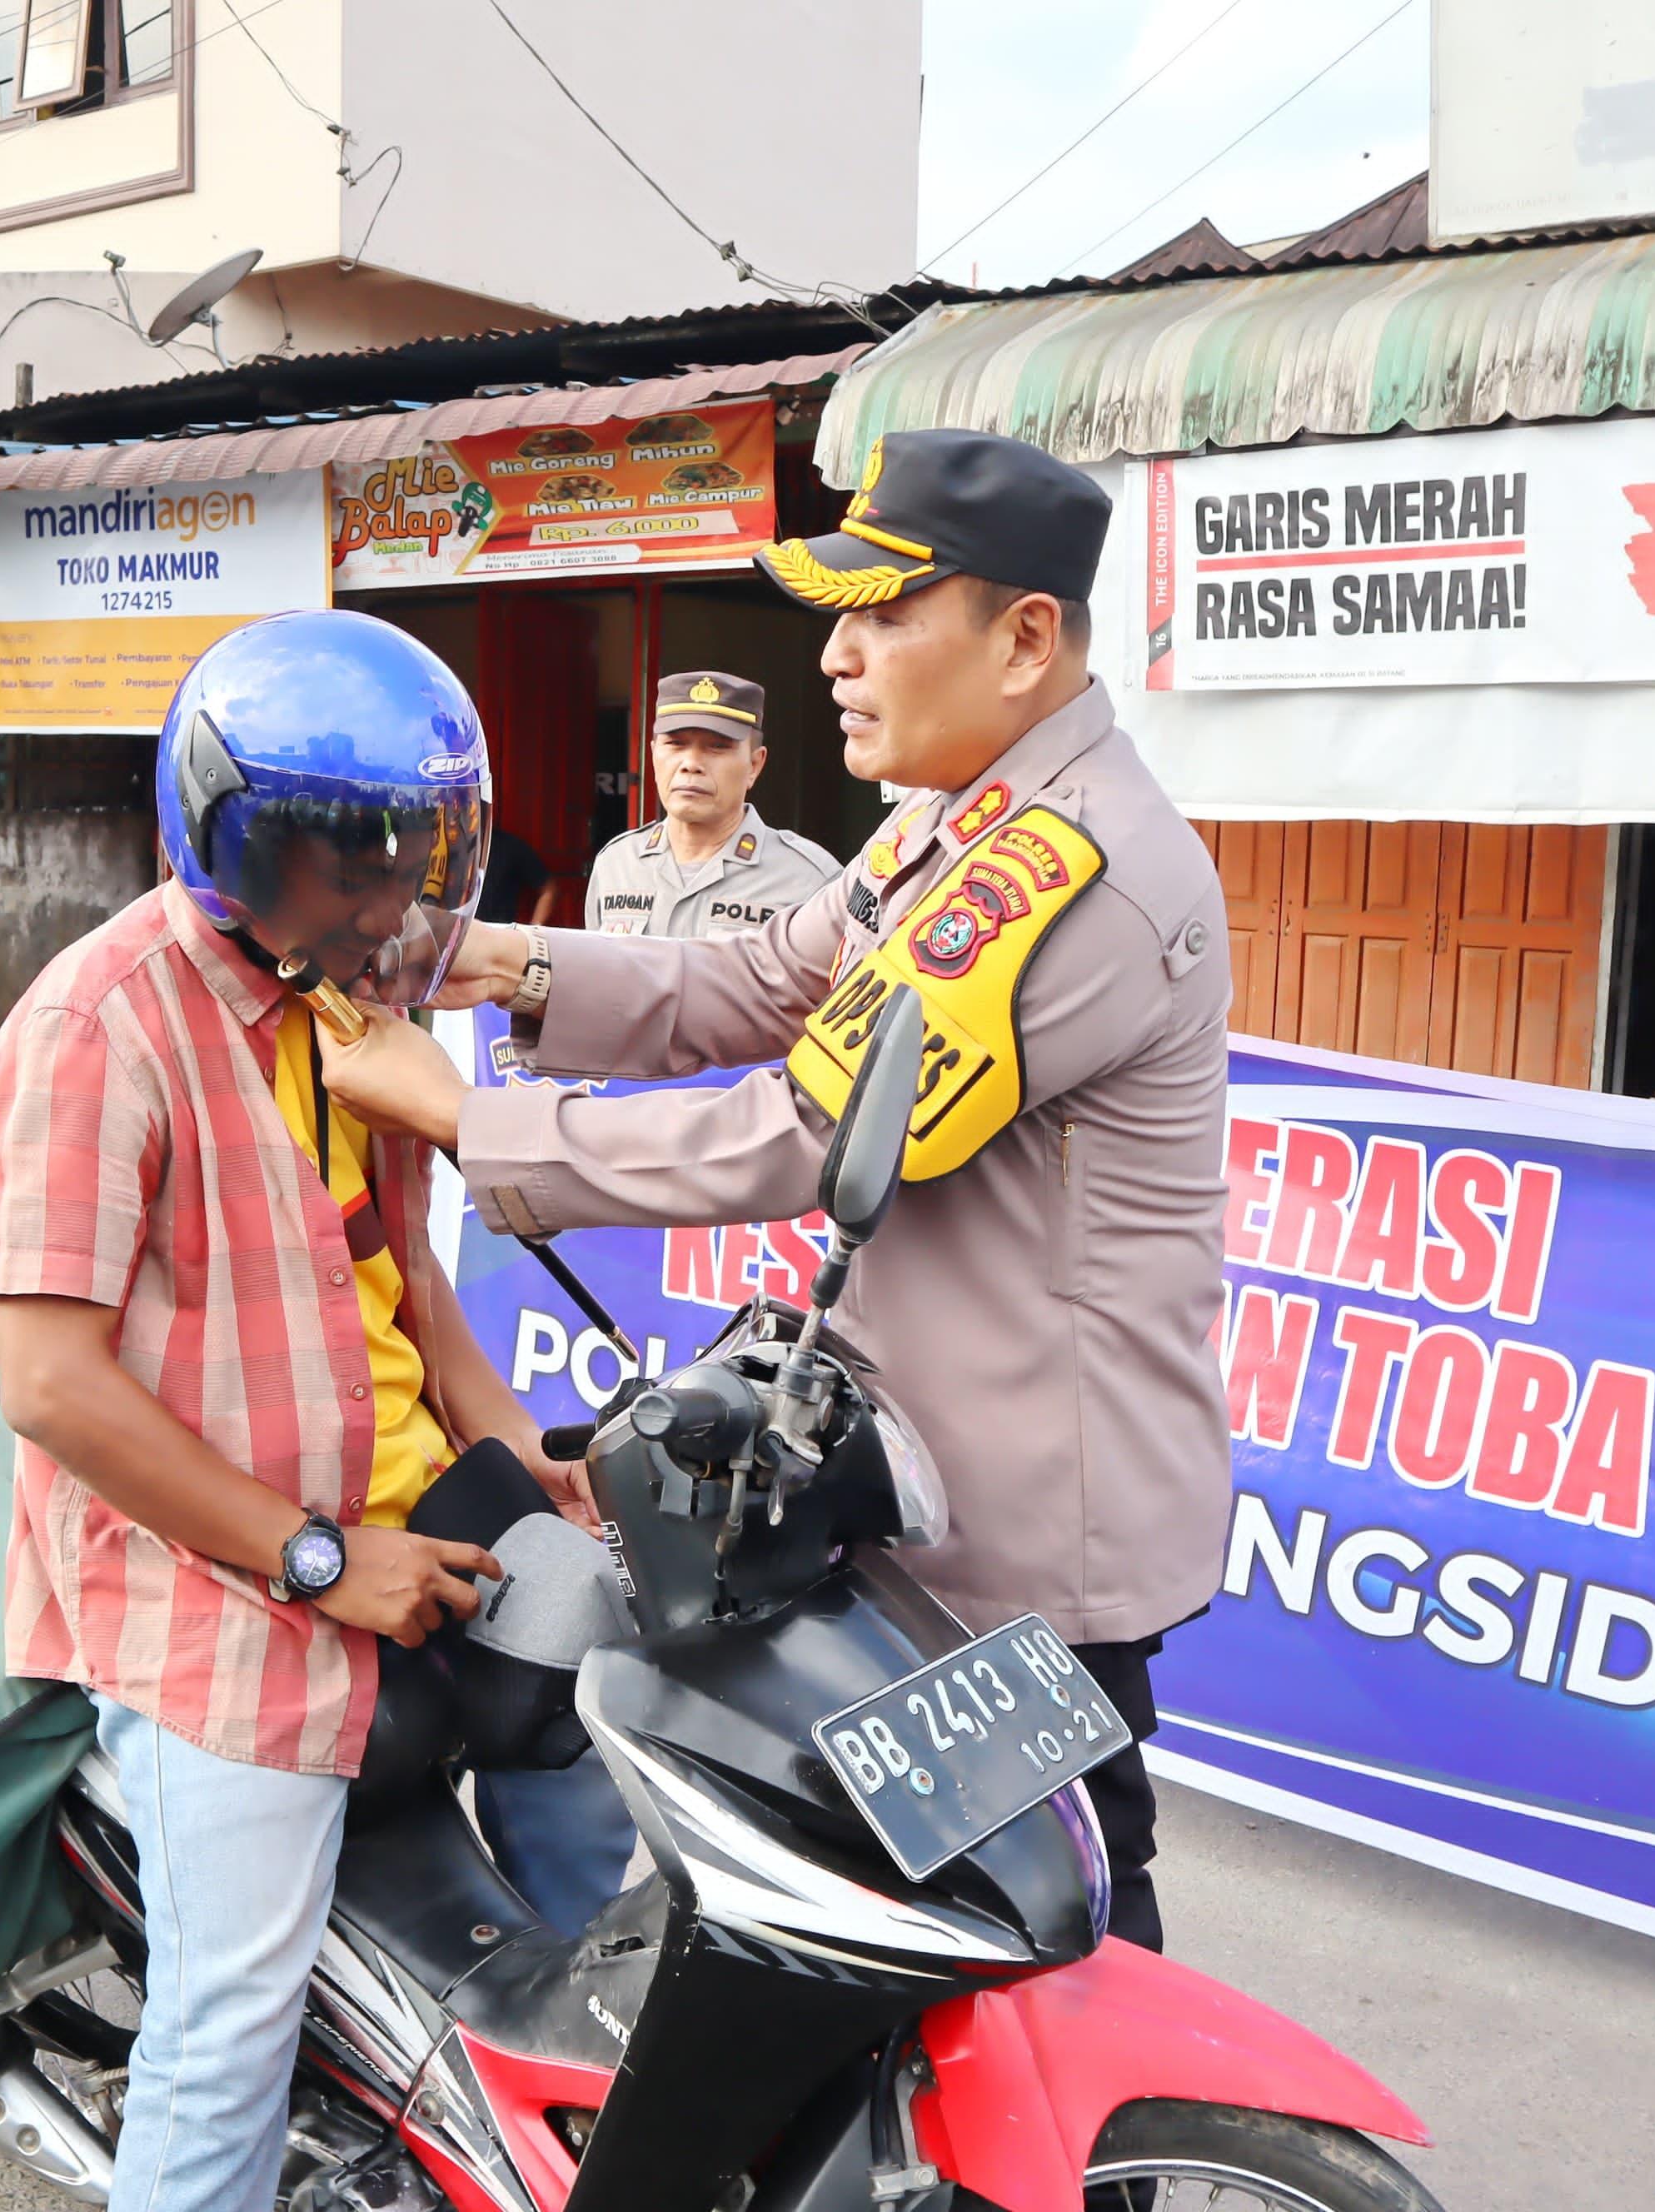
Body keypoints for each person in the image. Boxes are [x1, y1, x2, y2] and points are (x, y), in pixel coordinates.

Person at [323, 426, 1234, 1950]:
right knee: (873, 1904)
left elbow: (795, 1129)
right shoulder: (957, 822)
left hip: (1019, 1532)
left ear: (1021, 640)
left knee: (1043, 1929)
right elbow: (762, 977)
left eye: (882, 616)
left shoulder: (1065, 870)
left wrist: (471, 1117)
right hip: (907, 1482)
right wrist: (496, 958)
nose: (835, 656)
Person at [0, 609, 585, 2212]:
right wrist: (319, 1561)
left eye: (414, 862)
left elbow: (404, 1281)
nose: (393, 904)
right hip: (217, 1596)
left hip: (412, 1521)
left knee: (602, 1883)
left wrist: (514, 1450)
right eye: (352, 866)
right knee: (226, 2022)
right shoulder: (96, 1029)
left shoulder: (349, 1009)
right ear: (237, 842)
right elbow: (47, 1383)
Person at [583, 670, 835, 939]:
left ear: (754, 765)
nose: (691, 764)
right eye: (676, 744)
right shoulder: (617, 864)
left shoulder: (810, 880)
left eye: (717, 747)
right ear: (654, 754)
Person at [477, 820, 564, 928]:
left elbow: (549, 890)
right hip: (459, 937)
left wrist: (534, 929)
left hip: (499, 936)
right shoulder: (454, 850)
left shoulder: (509, 847)